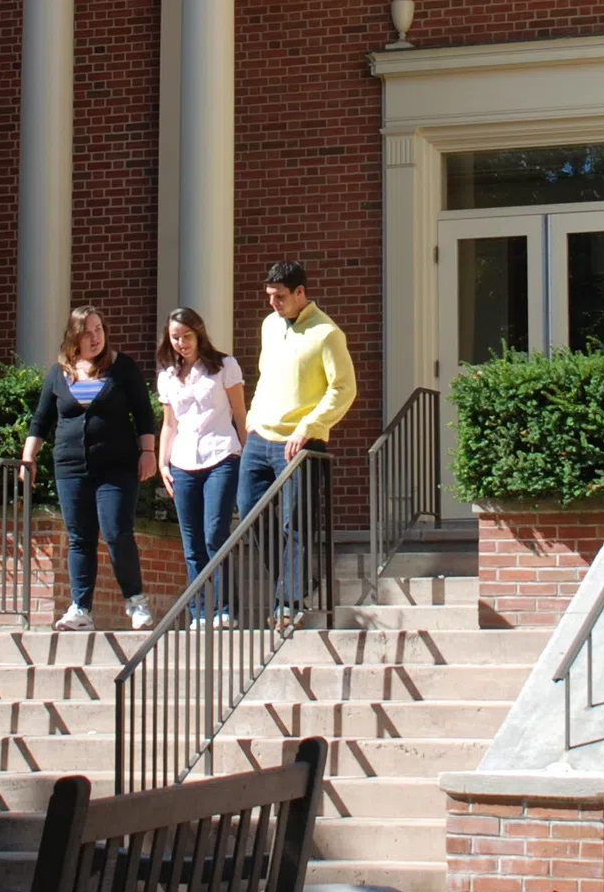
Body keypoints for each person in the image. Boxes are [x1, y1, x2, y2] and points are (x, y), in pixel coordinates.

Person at [20, 306, 157, 631]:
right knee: (79, 537)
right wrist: (28, 458)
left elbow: (143, 412)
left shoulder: (121, 368)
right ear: (74, 337)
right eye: (87, 332)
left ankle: (136, 602)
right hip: (70, 468)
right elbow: (41, 419)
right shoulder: (59, 372)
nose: (95, 337)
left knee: (116, 532)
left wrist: (148, 451)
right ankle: (81, 609)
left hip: (117, 468)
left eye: (99, 330)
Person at [241, 260, 356, 613]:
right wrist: (252, 417)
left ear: (300, 293)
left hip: (300, 442)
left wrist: (309, 426)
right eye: (269, 296)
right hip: (260, 438)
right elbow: (264, 376)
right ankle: (297, 582)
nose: (272, 304)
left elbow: (343, 389)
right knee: (250, 512)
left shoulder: (327, 333)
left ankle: (287, 602)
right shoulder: (270, 326)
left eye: (279, 297)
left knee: (296, 523)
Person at [155, 306, 247, 623]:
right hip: (182, 462)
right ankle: (200, 612)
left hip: (221, 454)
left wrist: (248, 455)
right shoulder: (167, 377)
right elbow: (170, 424)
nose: (182, 343)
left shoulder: (224, 367)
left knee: (214, 534)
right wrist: (163, 463)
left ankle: (224, 608)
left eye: (187, 336)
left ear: (199, 334)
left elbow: (239, 414)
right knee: (191, 542)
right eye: (175, 337)